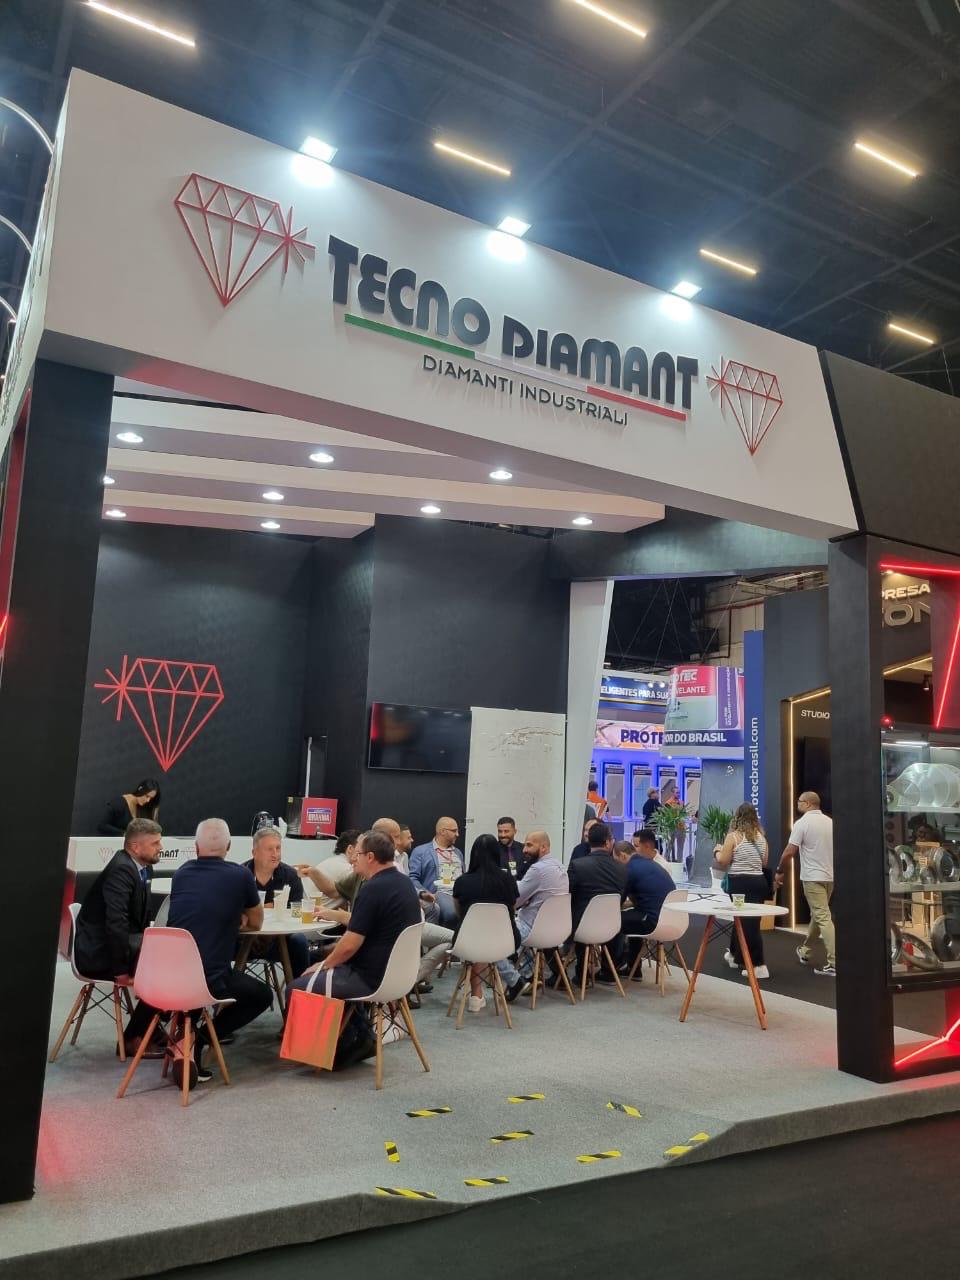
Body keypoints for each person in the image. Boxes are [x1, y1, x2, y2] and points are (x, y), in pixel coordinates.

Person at [168, 818, 271, 1085]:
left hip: (168, 976)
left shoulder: (181, 874)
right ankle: (197, 1038)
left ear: (195, 847)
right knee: (261, 995)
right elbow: (257, 923)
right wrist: (237, 916)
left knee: (200, 966)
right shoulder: (241, 875)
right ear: (229, 846)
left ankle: (184, 1037)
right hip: (209, 980)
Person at [288, 828, 421, 1001]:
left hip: (368, 978)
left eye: (358, 854)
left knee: (295, 989)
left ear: (370, 857)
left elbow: (350, 945)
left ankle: (343, 1017)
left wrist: (324, 965)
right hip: (400, 977)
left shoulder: (372, 889)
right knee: (319, 961)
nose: (353, 859)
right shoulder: (405, 883)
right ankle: (355, 1020)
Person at [74, 817, 164, 1053]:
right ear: (136, 847)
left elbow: (139, 918)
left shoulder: (143, 867)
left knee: (165, 958)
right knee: (165, 967)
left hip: (118, 944)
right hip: (99, 953)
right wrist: (121, 970)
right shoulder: (121, 869)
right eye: (155, 843)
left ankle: (151, 1030)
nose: (161, 847)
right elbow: (116, 923)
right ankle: (135, 1037)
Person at [372, 817, 453, 996]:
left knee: (436, 912)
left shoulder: (400, 859)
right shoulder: (386, 865)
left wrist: (419, 896)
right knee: (447, 926)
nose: (405, 840)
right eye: (397, 836)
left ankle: (413, 977)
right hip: (404, 924)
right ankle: (410, 980)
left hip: (413, 916)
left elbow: (406, 885)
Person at [452, 834, 520, 1011]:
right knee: (485, 937)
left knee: (476, 936)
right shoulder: (508, 880)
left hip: (467, 941)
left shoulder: (462, 882)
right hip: (505, 941)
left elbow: (459, 913)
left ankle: (476, 994)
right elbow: (512, 909)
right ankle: (478, 994)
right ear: (497, 854)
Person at [497, 830, 569, 999]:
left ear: (543, 847)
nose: (524, 850)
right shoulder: (560, 866)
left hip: (534, 930)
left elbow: (515, 900)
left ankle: (516, 980)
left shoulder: (537, 869)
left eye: (529, 845)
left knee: (494, 935)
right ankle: (528, 975)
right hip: (558, 930)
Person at [776, 791, 835, 977]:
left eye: (800, 801)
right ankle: (806, 950)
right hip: (829, 876)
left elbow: (789, 851)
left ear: (808, 804)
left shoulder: (802, 823)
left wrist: (779, 870)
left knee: (822, 917)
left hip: (812, 877)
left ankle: (834, 962)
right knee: (818, 915)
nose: (797, 804)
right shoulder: (830, 822)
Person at [244, 824, 309, 979]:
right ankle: (225, 990)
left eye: (278, 848)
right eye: (269, 849)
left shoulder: (290, 876)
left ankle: (298, 991)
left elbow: (296, 910)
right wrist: (264, 909)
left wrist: (272, 909)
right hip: (246, 939)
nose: (275, 854)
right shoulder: (241, 875)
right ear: (255, 852)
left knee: (299, 941)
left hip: (279, 941)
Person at [566, 820, 629, 979]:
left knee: (577, 913)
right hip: (611, 926)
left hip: (581, 929)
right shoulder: (622, 868)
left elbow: (568, 895)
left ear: (589, 840)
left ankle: (581, 974)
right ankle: (609, 971)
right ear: (607, 842)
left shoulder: (577, 865)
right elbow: (621, 899)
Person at [715, 803, 769, 980]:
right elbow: (764, 862)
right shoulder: (762, 838)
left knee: (748, 924)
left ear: (737, 817)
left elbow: (723, 861)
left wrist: (717, 851)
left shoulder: (733, 837)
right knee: (744, 920)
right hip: (758, 882)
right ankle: (735, 955)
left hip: (740, 884)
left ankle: (758, 965)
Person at [621, 828, 675, 974]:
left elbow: (619, 899)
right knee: (633, 917)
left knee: (614, 920)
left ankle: (612, 968)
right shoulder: (653, 866)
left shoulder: (634, 868)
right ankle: (633, 968)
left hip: (655, 920)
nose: (634, 850)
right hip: (671, 919)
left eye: (636, 846)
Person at [409, 817, 464, 927]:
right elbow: (412, 878)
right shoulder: (421, 851)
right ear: (442, 831)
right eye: (454, 831)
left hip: (460, 893)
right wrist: (424, 893)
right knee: (451, 913)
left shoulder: (457, 852)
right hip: (440, 892)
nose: (457, 834)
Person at [295, 830, 363, 910]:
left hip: (304, 904)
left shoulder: (332, 861)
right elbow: (333, 892)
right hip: (311, 910)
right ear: (350, 848)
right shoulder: (346, 869)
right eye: (360, 850)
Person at [97, 779, 161, 836]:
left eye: (151, 798)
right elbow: (102, 826)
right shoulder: (118, 804)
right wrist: (124, 834)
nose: (148, 800)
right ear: (140, 789)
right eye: (147, 796)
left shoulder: (147, 806)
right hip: (117, 842)